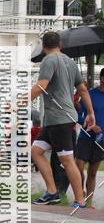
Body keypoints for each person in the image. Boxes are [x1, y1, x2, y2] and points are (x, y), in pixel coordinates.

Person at [31, 31, 95, 208]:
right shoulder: (70, 62)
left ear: (44, 47)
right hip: (55, 120)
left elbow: (41, 86)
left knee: (67, 160)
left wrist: (19, 102)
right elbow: (82, 90)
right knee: (36, 151)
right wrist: (91, 113)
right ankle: (52, 192)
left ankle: (80, 200)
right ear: (60, 44)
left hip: (61, 119)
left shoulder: (48, 60)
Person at [75, 67, 104, 208]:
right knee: (78, 168)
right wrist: (90, 125)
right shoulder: (90, 94)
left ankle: (89, 202)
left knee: (92, 172)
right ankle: (79, 198)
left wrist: (101, 129)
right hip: (85, 137)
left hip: (101, 140)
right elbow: (78, 117)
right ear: (102, 79)